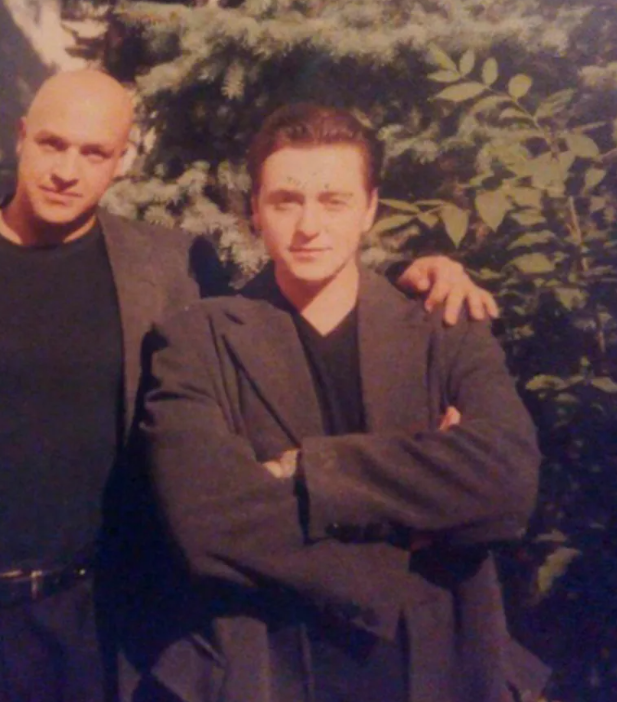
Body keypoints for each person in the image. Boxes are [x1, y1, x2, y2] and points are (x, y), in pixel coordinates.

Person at [0, 70, 500, 702]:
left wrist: (409, 274)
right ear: (21, 136)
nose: (67, 169)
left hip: (112, 632)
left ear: (121, 162)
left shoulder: (171, 267)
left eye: (94, 152)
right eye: (52, 144)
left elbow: (285, 288)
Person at [132, 104, 550, 702]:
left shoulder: (443, 327)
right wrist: (412, 525)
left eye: (333, 201)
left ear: (369, 209)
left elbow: (507, 481)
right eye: (286, 201)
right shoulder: (197, 341)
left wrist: (311, 470)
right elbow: (204, 520)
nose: (309, 226)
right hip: (267, 666)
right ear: (256, 211)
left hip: (435, 664)